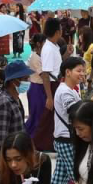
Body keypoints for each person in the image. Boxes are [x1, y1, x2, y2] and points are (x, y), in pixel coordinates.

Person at [0, 59, 30, 155]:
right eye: (25, 79)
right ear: (14, 81)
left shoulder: (15, 99)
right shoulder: (4, 103)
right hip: (10, 159)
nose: (28, 82)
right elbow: (0, 141)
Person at [27, 19, 61, 151]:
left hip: (54, 82)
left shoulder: (54, 46)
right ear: (57, 31)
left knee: (50, 117)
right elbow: (46, 74)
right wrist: (50, 97)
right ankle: (36, 143)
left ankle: (47, 142)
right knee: (45, 117)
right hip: (50, 85)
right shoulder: (47, 48)